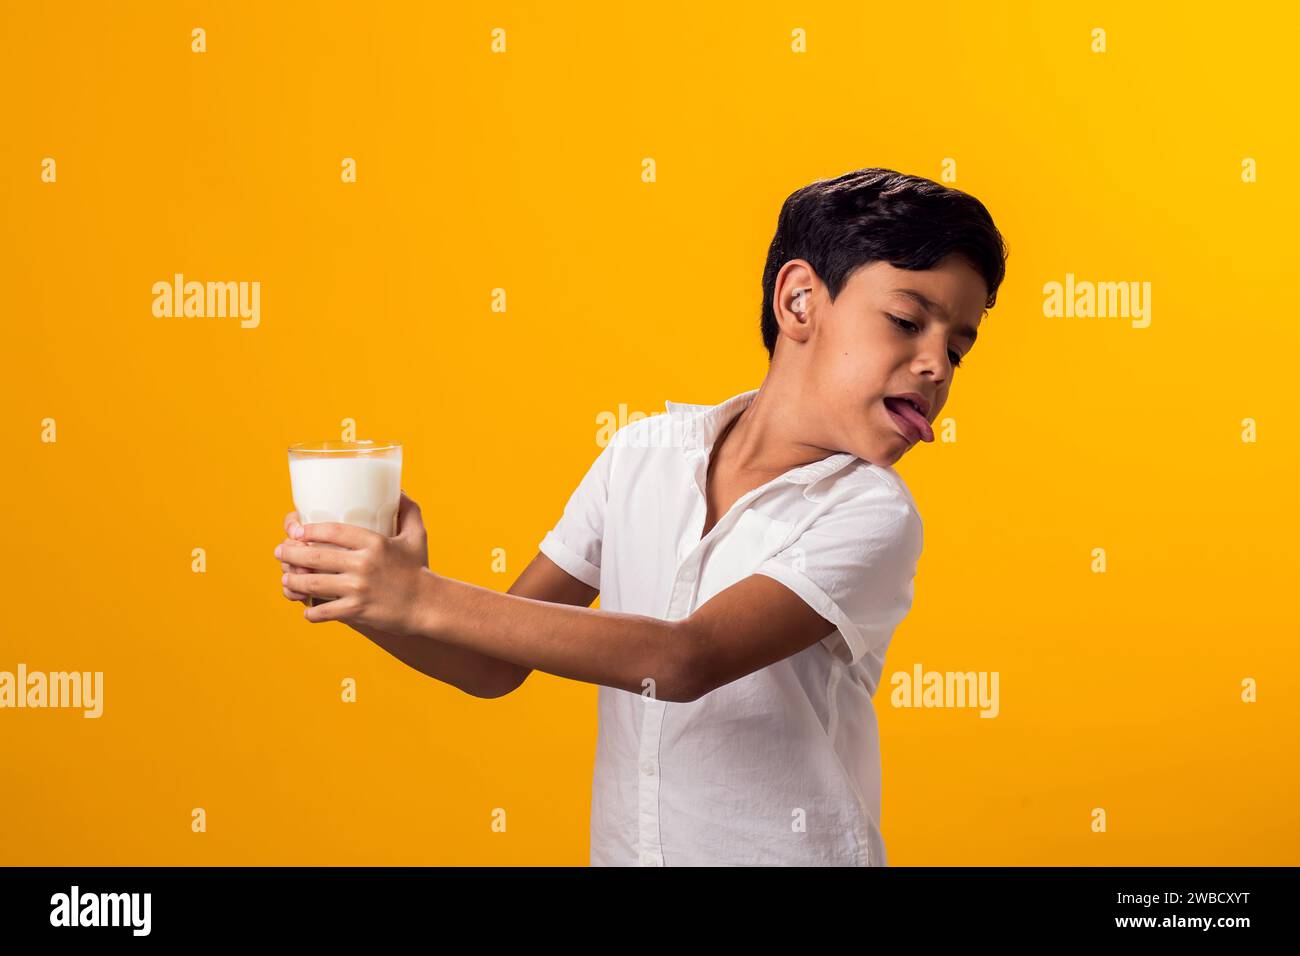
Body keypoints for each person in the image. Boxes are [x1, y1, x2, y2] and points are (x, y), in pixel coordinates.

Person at [274, 167, 1009, 865]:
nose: (936, 364)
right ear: (798, 302)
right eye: (908, 321)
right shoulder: (640, 454)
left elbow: (685, 659)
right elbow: (492, 663)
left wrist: (418, 595)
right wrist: (365, 594)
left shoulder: (871, 512)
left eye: (958, 347)